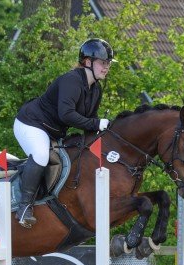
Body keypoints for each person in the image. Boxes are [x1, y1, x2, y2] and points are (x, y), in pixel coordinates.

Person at [13, 38, 115, 228]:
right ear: (87, 62)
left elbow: (90, 123)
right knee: (42, 155)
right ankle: (24, 207)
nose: (106, 67)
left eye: (108, 63)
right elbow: (67, 115)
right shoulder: (71, 80)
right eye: (103, 62)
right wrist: (96, 123)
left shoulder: (96, 89)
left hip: (52, 131)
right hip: (31, 123)